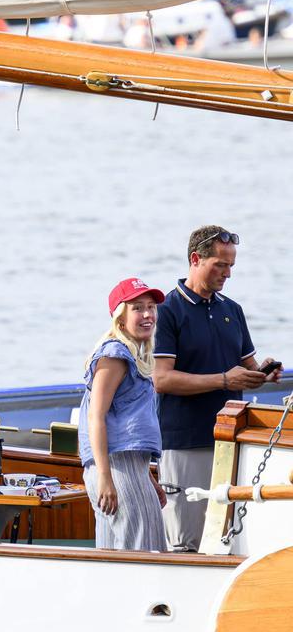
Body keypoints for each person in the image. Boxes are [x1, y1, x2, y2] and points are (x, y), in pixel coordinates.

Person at [153, 225, 282, 551]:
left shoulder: (231, 310)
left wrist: (263, 373)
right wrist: (225, 380)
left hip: (231, 440)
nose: (227, 273)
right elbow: (162, 379)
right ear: (196, 259)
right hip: (185, 441)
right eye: (220, 265)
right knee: (186, 541)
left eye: (231, 266)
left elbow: (247, 367)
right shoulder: (167, 311)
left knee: (231, 538)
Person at [80, 278, 168, 551]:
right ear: (120, 318)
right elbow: (97, 416)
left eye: (151, 307)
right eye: (138, 308)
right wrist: (106, 477)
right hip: (117, 468)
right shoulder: (116, 355)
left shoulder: (131, 355)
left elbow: (128, 423)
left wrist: (149, 478)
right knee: (145, 553)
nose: (147, 315)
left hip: (125, 467)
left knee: (112, 556)